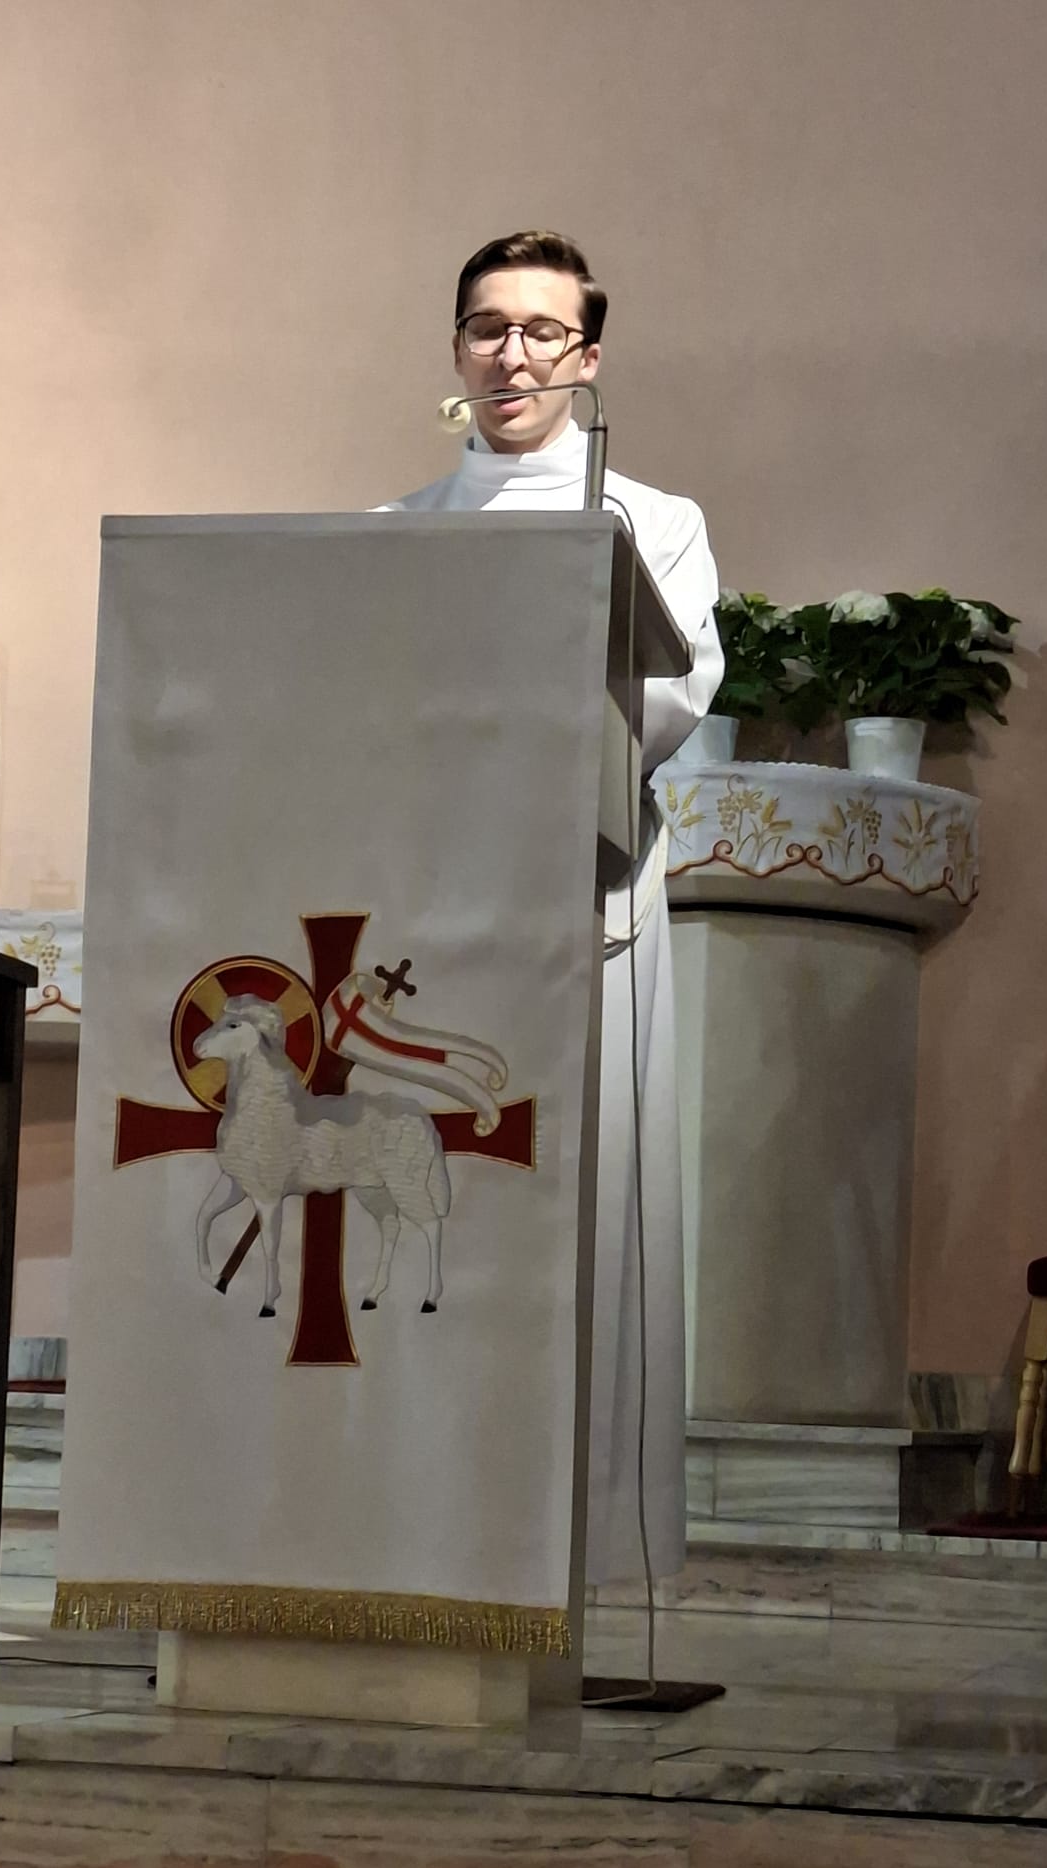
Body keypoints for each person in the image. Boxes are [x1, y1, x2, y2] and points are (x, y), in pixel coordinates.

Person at [379, 230, 724, 1588]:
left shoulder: (653, 520)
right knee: (432, 1202)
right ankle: (419, 1513)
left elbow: (669, 694)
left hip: (583, 895)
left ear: (588, 356)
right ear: (457, 348)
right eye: (487, 328)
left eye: (540, 331)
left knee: (574, 1209)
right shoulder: (396, 532)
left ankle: (578, 1542)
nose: (510, 355)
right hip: (430, 909)